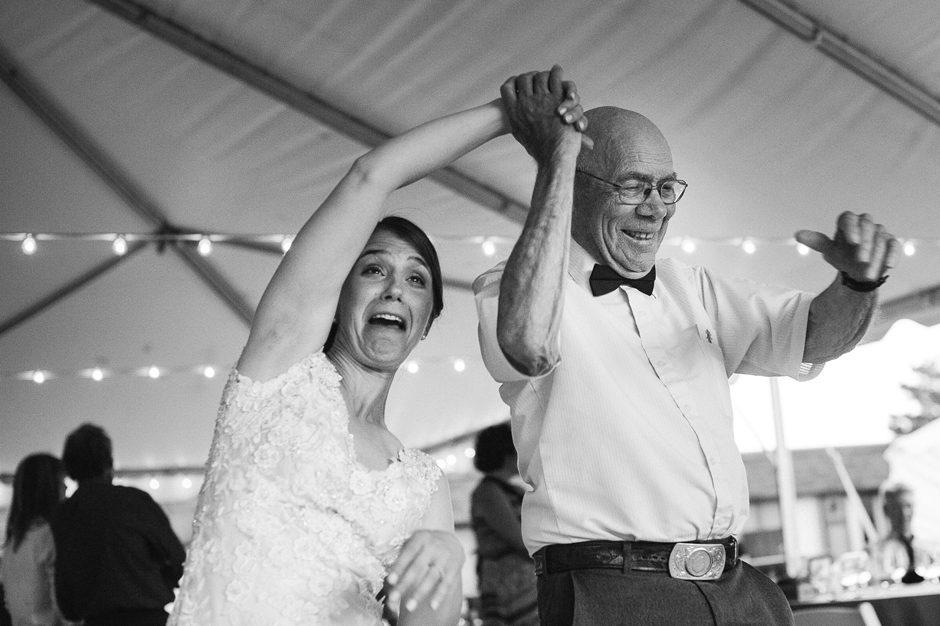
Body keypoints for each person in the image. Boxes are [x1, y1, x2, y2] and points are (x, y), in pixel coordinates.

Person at [473, 67, 899, 624]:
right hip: (611, 592)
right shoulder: (514, 289)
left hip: (737, 587)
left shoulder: (695, 288)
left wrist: (858, 284)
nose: (656, 207)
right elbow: (526, 344)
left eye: (666, 187)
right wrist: (554, 157)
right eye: (632, 187)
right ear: (574, 183)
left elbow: (814, 335)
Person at [168, 75, 587, 626]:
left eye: (416, 280)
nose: (394, 288)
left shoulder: (423, 483)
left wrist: (443, 560)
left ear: (426, 324)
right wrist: (509, 116)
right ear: (336, 293)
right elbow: (371, 175)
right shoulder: (278, 370)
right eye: (374, 269)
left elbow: (426, 621)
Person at [50, 424, 186, 626]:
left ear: (69, 469)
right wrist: (157, 584)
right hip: (148, 618)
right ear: (109, 462)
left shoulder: (63, 515)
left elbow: (66, 594)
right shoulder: (134, 501)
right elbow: (177, 558)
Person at [470, 423, 538, 626]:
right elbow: (518, 538)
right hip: (507, 582)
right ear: (507, 453)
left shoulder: (510, 489)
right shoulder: (488, 491)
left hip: (523, 580)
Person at [0, 453, 68, 626]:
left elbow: (9, 603)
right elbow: (63, 605)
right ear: (48, 489)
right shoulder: (48, 536)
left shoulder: (12, 543)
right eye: (61, 483)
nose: (66, 490)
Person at [874, 482, 931, 584]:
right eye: (897, 507)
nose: (904, 513)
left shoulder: (928, 549)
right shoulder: (877, 552)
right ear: (886, 510)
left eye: (908, 506)